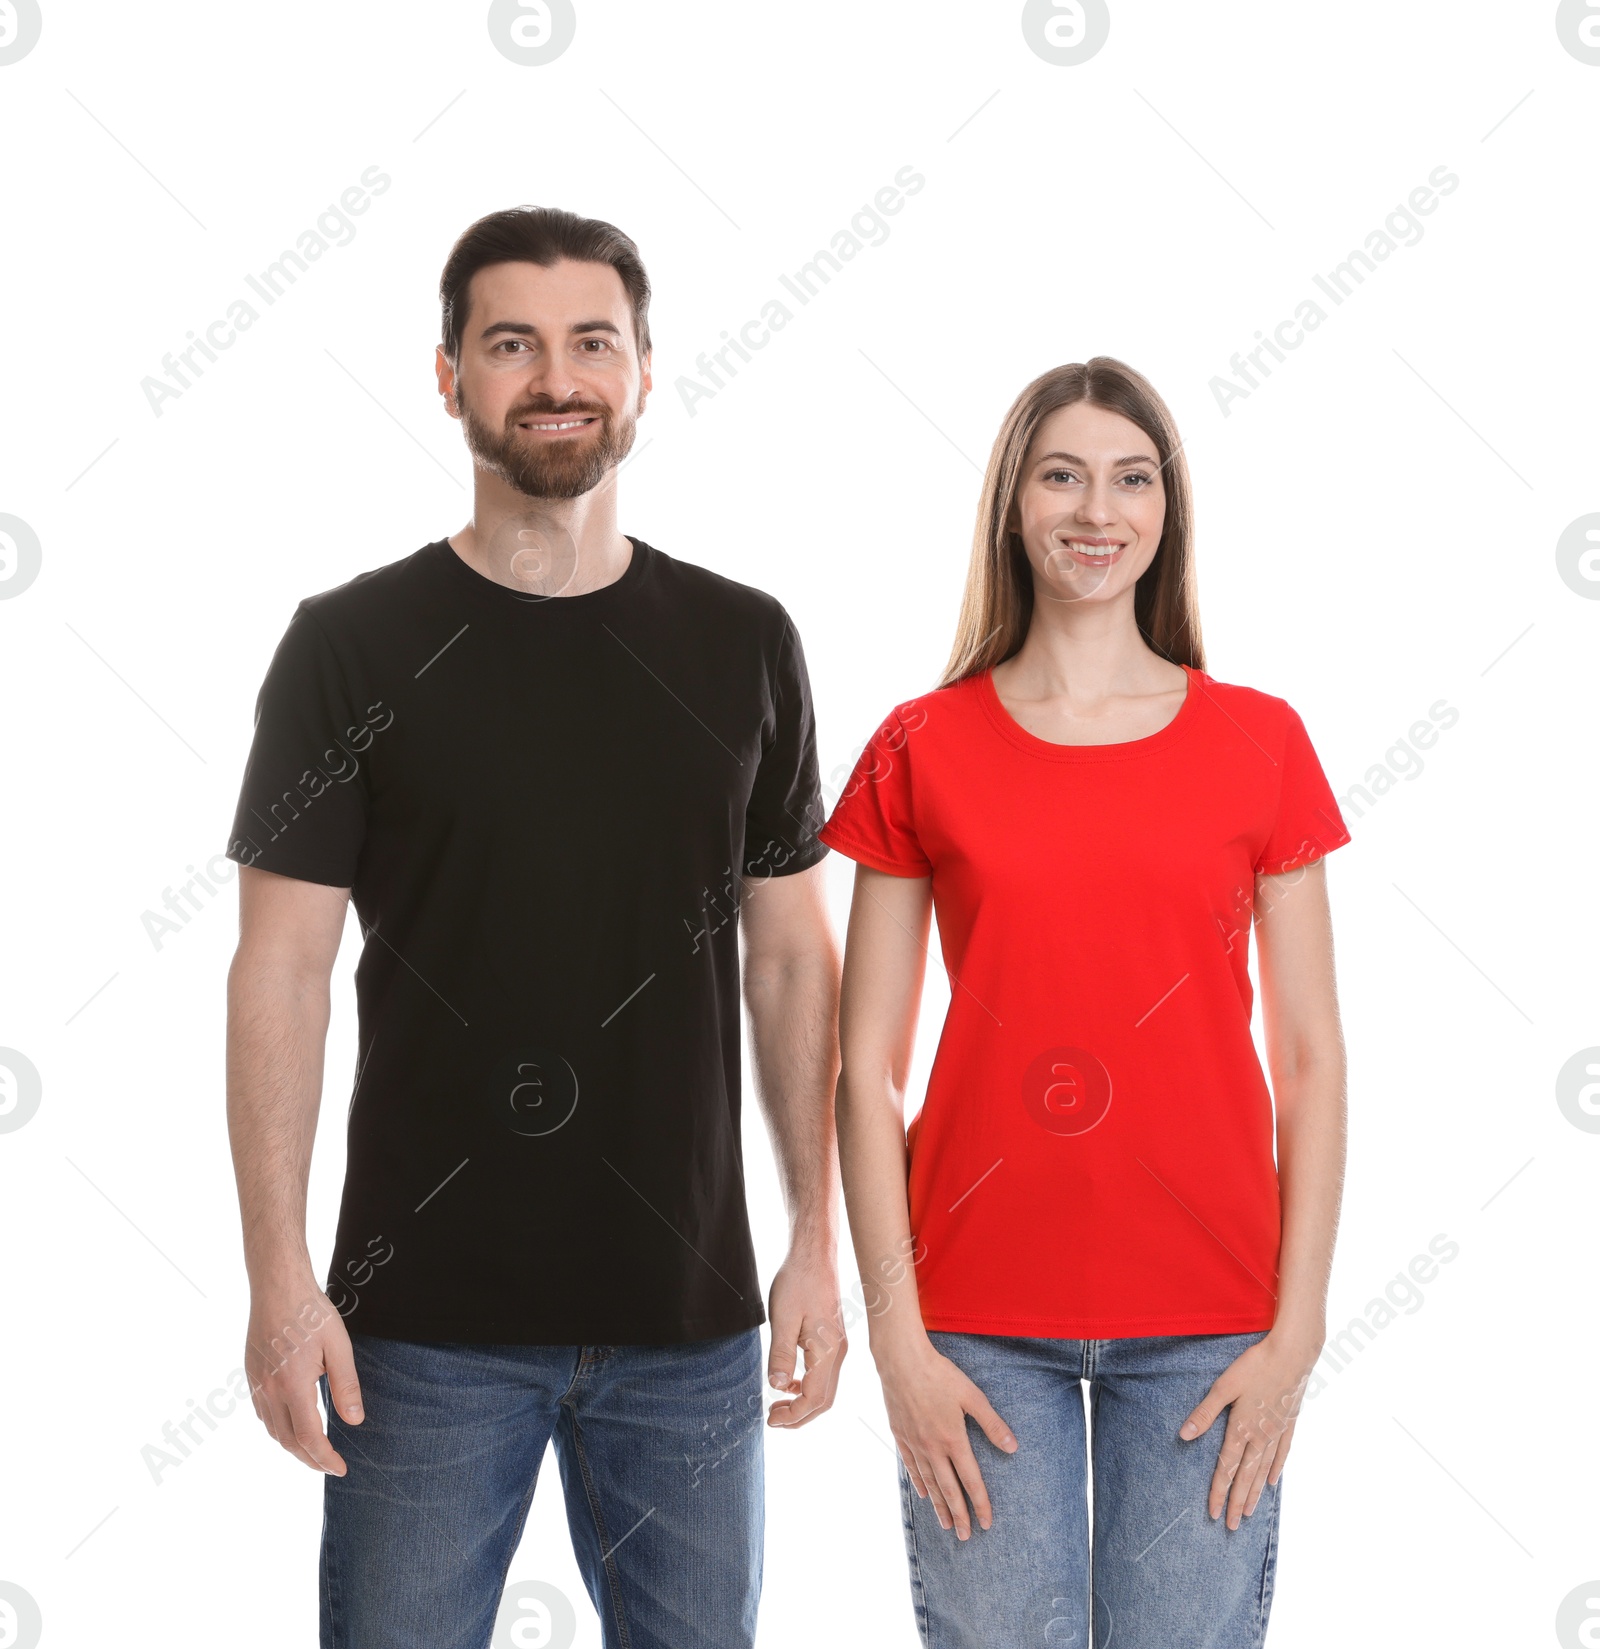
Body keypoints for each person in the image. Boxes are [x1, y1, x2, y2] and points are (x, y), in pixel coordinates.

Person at [223, 205, 846, 1649]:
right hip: (419, 1332)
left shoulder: (745, 639)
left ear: (642, 371)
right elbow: (282, 972)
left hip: (687, 1328)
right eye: (511, 344)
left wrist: (819, 1236)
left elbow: (794, 959)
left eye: (590, 343)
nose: (555, 376)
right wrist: (277, 1279)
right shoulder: (349, 644)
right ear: (448, 375)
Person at [818, 358, 1349, 1647]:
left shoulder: (1260, 741)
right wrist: (899, 1340)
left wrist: (1298, 1335)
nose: (1094, 509)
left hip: (1213, 1328)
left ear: (1167, 514)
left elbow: (1313, 1059)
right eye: (1062, 474)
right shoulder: (918, 744)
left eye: (1131, 477)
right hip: (976, 1329)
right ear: (1015, 502)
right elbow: (862, 1071)